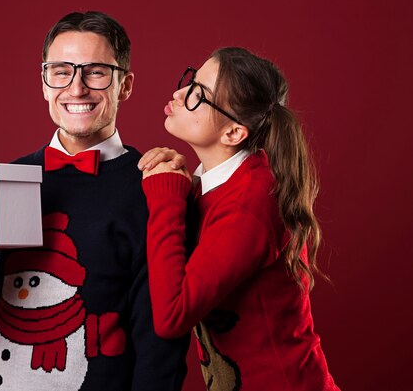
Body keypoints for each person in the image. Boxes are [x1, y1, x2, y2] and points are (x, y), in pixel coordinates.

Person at [0, 11, 189, 391]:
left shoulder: (151, 186)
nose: (76, 89)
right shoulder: (6, 182)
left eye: (95, 71)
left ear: (124, 85)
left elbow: (159, 343)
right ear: (43, 82)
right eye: (61, 71)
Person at [137, 47, 340, 391]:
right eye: (191, 80)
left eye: (198, 95)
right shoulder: (226, 184)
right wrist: (182, 189)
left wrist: (165, 198)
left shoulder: (249, 204)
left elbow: (172, 316)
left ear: (233, 133)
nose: (180, 93)